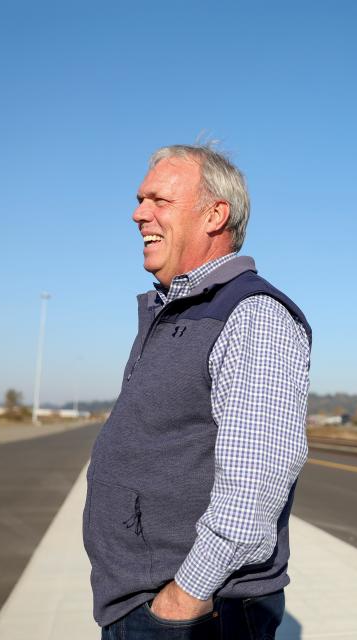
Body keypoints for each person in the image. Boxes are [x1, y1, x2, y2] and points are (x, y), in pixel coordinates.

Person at [83, 144, 312, 639]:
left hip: (192, 611)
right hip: (145, 601)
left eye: (158, 201)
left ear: (214, 215)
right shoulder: (176, 310)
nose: (138, 213)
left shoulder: (252, 314)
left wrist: (187, 593)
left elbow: (256, 480)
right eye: (140, 200)